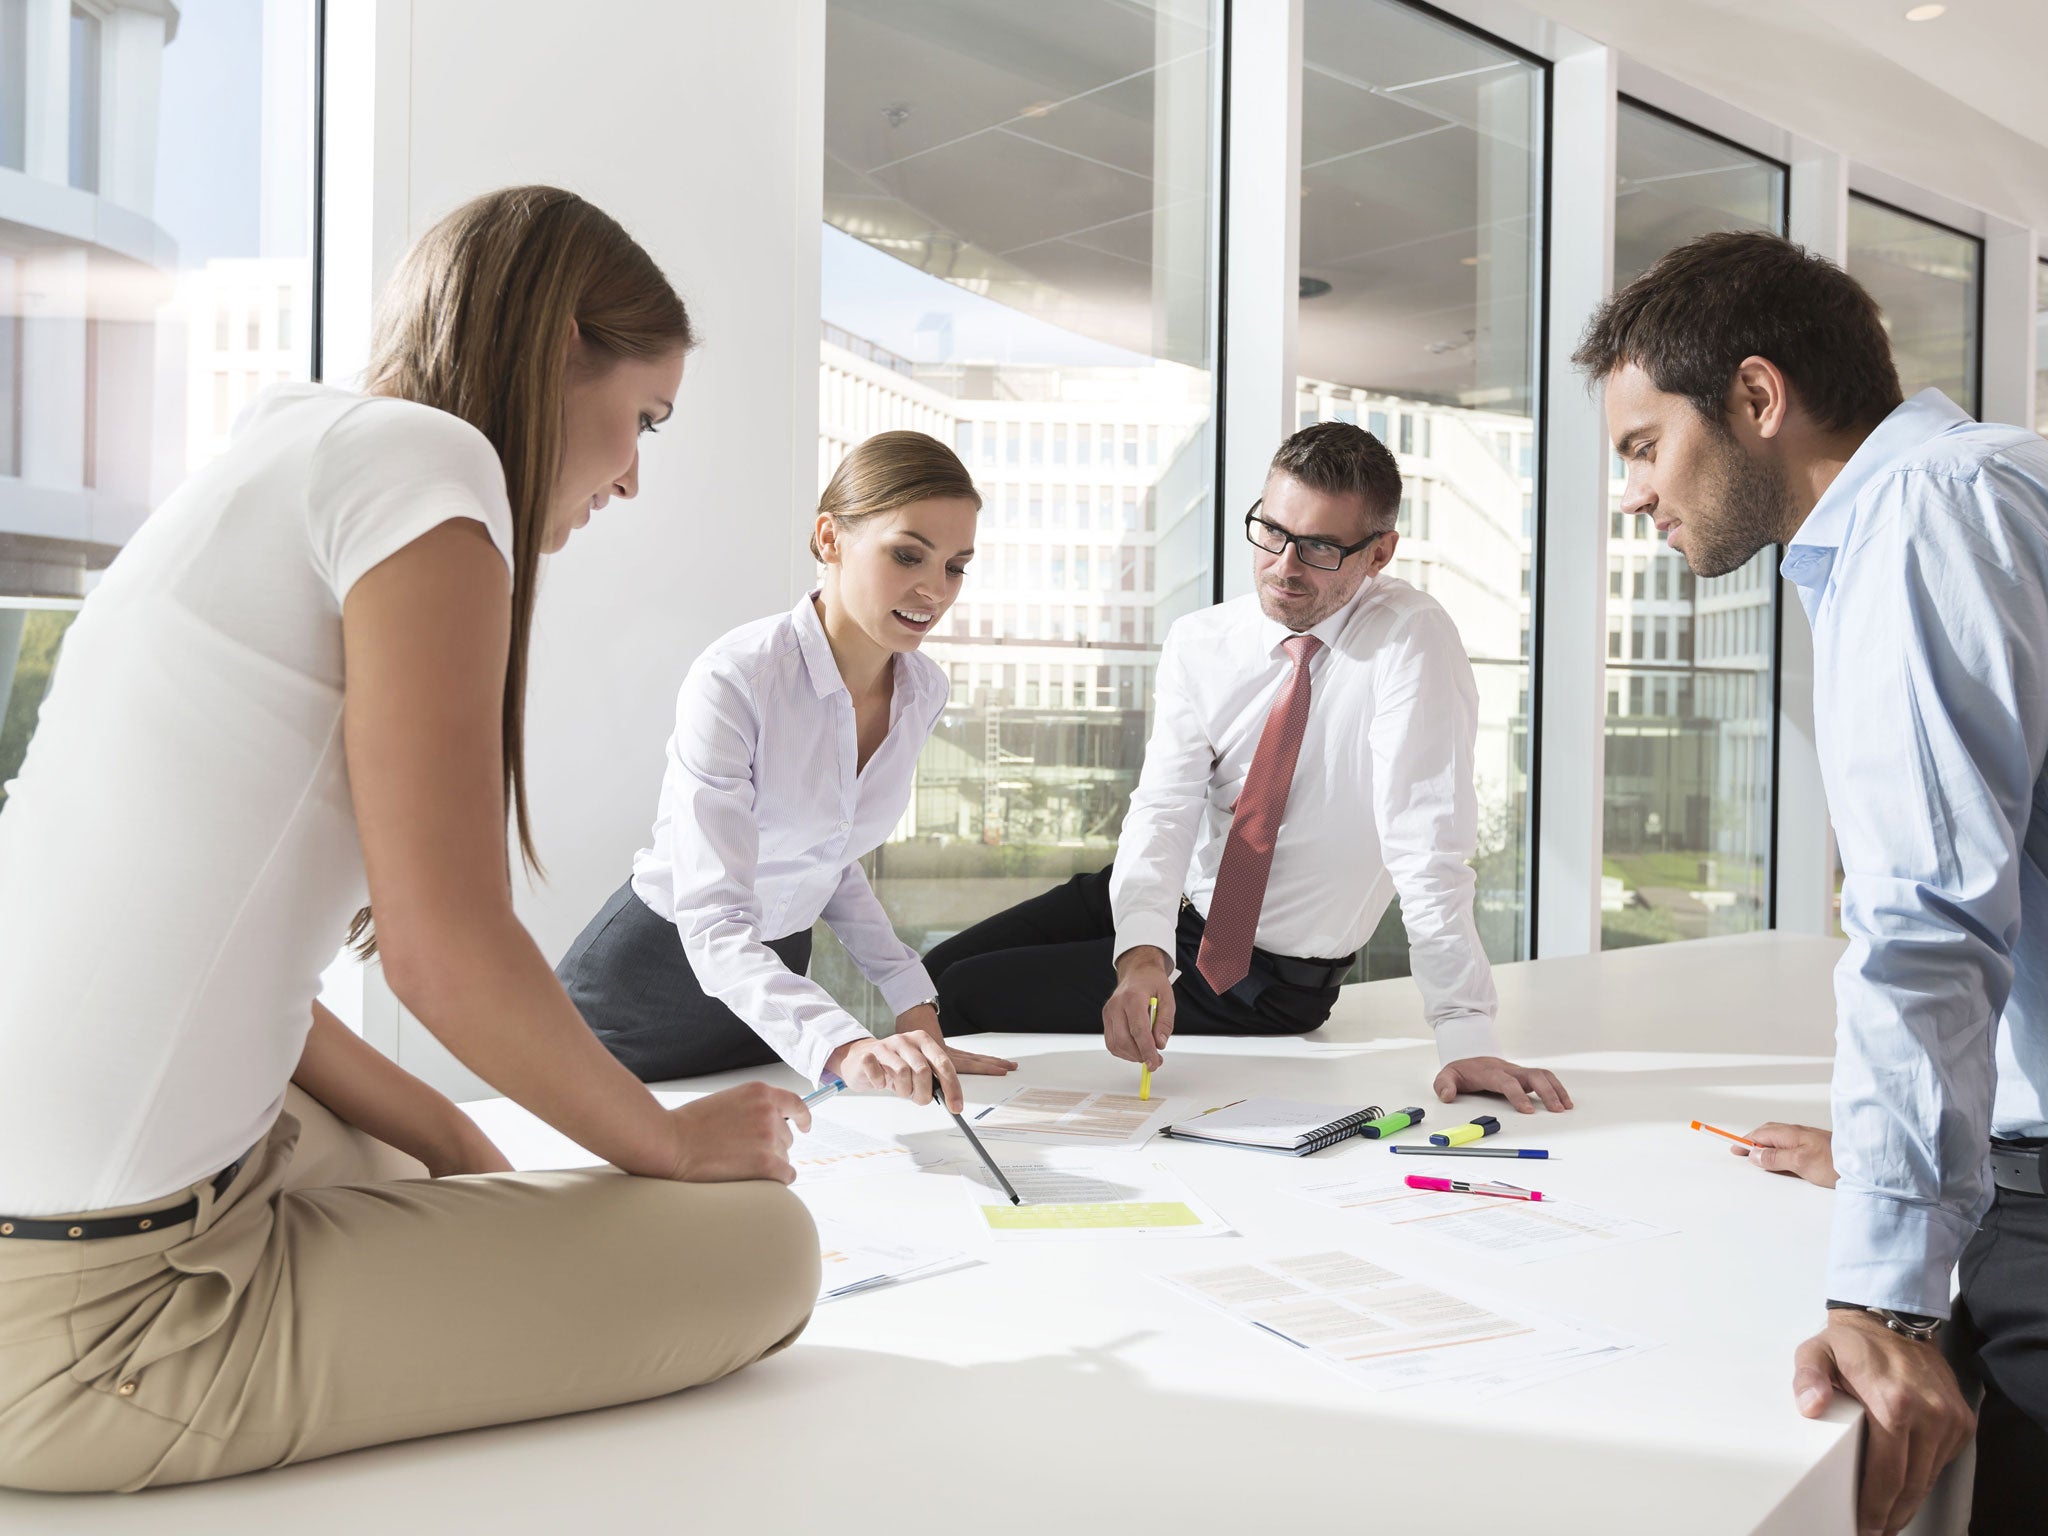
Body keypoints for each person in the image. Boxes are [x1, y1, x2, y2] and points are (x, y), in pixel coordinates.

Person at [0, 187, 821, 1493]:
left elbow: (216, 973)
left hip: (63, 1214)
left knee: (402, 1158)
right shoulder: (432, 470)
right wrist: (662, 1146)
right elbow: (445, 952)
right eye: (642, 420)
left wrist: (455, 1139)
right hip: (96, 1333)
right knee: (770, 1252)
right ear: (559, 349)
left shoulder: (291, 444)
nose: (634, 474)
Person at [1574, 228, 2048, 1536]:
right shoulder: (1992, 485)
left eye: (1640, 446)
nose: (1632, 495)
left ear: (1758, 399)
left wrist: (1888, 1299)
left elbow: (1929, 918)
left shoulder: (1923, 514)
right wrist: (1911, 1154)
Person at [924, 422, 1572, 1115]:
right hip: (1168, 897)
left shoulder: (1410, 639)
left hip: (1256, 973)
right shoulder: (1202, 641)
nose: (1284, 567)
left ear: (1380, 552)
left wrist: (1464, 1032)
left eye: (1320, 547)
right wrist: (1142, 951)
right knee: (926, 980)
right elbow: (1165, 807)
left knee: (963, 996)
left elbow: (1426, 843)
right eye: (1271, 531)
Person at [557, 430, 1016, 1110]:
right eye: (907, 554)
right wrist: (840, 1044)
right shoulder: (737, 678)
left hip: (770, 1000)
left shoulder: (923, 691)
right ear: (829, 538)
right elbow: (712, 922)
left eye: (955, 566)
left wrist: (915, 1007)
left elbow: (827, 860)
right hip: (647, 987)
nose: (934, 589)